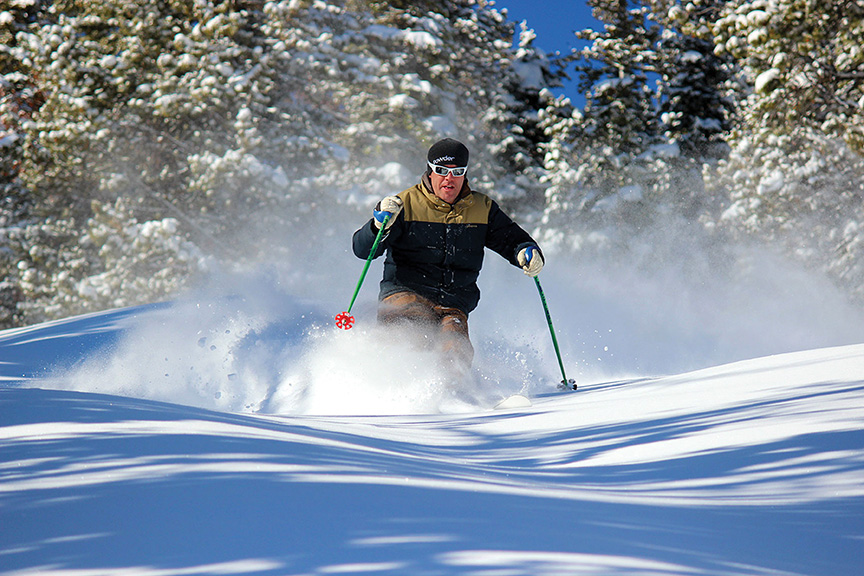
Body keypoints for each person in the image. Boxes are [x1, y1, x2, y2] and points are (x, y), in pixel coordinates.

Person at [352, 138, 544, 375]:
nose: (448, 178)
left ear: (465, 173)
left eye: (457, 172)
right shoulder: (403, 205)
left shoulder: (481, 208)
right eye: (441, 171)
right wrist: (377, 226)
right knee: (411, 331)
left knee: (456, 349)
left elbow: (512, 239)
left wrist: (526, 251)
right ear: (430, 171)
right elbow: (363, 250)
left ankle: (451, 399)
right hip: (405, 293)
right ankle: (386, 387)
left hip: (452, 305)